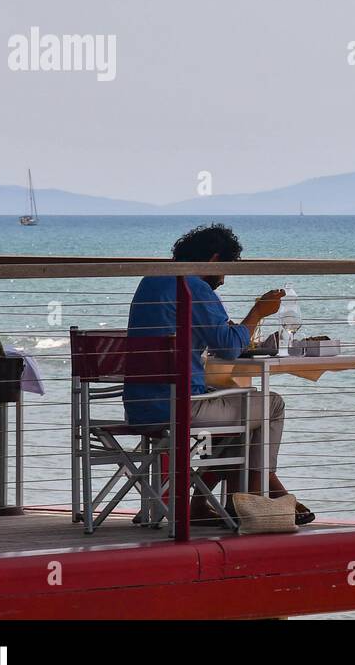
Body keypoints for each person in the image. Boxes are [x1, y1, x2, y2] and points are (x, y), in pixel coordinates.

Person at [126, 223, 311, 525]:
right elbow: (227, 349)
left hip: (141, 404)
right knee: (270, 404)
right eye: (225, 269)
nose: (223, 280)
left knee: (246, 413)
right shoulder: (192, 286)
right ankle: (259, 492)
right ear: (213, 260)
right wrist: (258, 312)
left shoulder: (151, 281)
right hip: (181, 406)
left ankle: (204, 502)